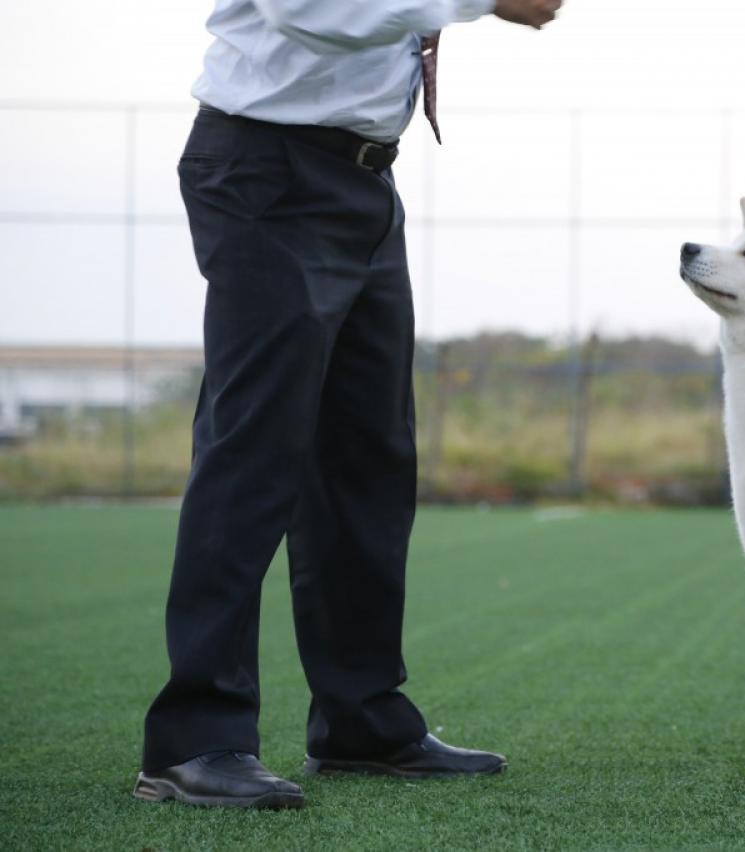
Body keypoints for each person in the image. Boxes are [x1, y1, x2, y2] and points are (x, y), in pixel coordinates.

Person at [133, 0, 565, 810]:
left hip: (364, 178)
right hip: (267, 169)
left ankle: (361, 720)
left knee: (369, 456)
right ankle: (193, 740)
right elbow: (312, 11)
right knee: (253, 451)